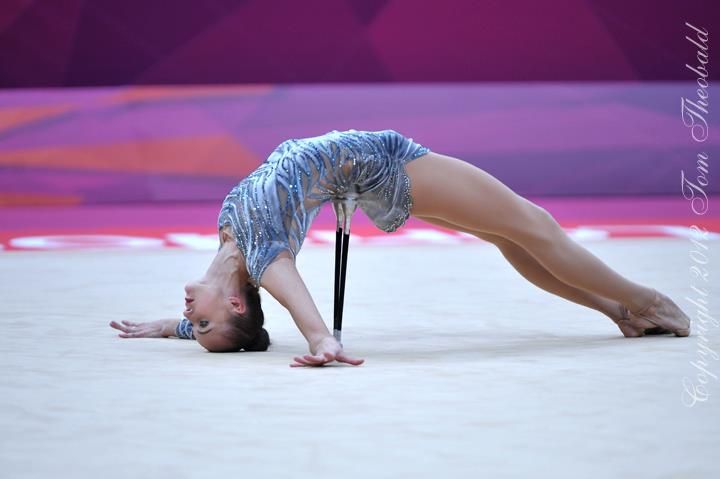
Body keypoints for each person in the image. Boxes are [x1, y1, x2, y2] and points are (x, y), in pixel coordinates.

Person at [109, 129, 692, 367]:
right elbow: (303, 313)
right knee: (528, 224)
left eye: (196, 325)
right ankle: (647, 302)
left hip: (365, 174)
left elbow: (225, 321)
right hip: (385, 165)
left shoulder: (233, 243)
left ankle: (621, 311)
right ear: (237, 305)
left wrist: (170, 327)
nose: (193, 318)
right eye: (201, 324)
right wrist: (323, 342)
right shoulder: (261, 258)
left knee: (505, 233)